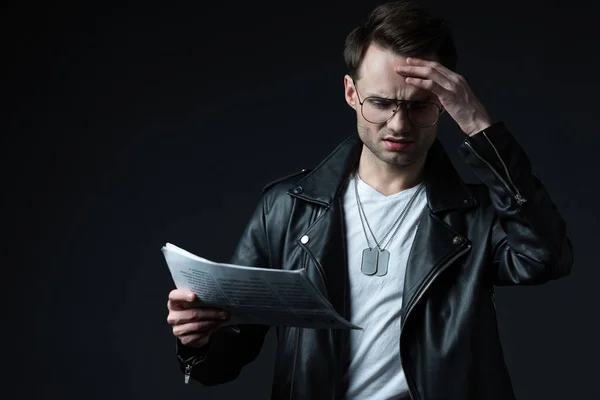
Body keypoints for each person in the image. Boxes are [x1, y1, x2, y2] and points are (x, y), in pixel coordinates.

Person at [166, 1, 573, 399]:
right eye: (380, 103)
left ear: (445, 103)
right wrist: (198, 342)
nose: (399, 124)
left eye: (419, 106)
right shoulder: (288, 208)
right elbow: (226, 358)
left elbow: (545, 257)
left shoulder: (477, 216)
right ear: (351, 93)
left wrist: (478, 124)